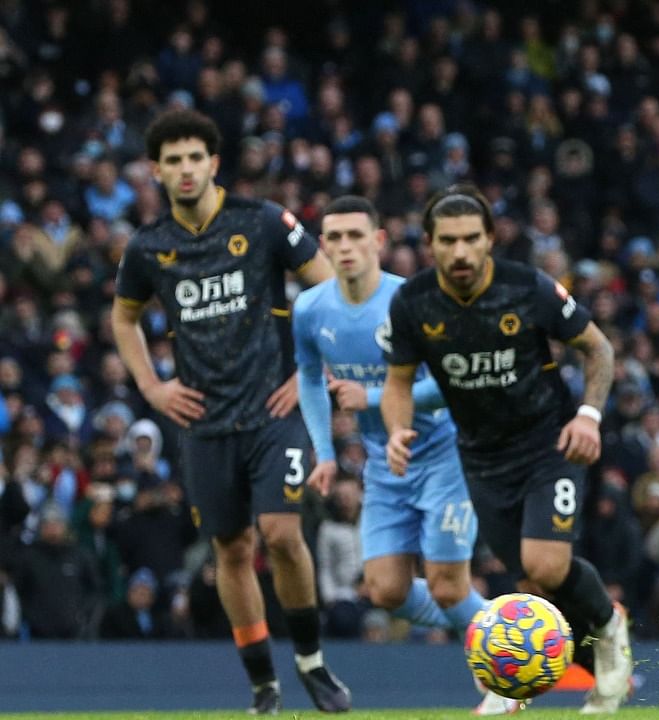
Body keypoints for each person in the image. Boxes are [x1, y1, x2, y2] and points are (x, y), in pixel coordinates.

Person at [111, 109, 349, 714]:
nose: (185, 169)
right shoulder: (149, 247)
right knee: (232, 552)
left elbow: (326, 288)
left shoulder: (262, 221)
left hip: (274, 409)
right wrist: (153, 387)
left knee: (282, 535)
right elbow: (124, 316)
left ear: (213, 164)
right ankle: (264, 683)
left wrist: (310, 373)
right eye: (173, 161)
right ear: (156, 171)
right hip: (203, 421)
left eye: (195, 158)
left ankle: (313, 662)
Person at [381, 185, 632, 713]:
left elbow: (598, 348)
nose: (461, 252)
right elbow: (398, 382)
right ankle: (523, 679)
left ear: (490, 239)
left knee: (545, 564)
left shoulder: (528, 287)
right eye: (448, 241)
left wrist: (589, 416)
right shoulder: (412, 303)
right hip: (480, 456)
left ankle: (610, 628)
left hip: (551, 442)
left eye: (472, 239)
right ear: (429, 244)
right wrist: (398, 429)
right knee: (524, 578)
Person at [293, 196, 517, 715]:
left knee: (444, 585)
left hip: (445, 455)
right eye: (335, 238)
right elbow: (308, 377)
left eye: (356, 236)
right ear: (323, 246)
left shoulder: (414, 300)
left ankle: (507, 667)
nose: (345, 247)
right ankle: (505, 625)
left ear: (378, 241)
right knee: (386, 590)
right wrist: (324, 452)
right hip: (383, 461)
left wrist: (369, 399)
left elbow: (450, 381)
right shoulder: (310, 309)